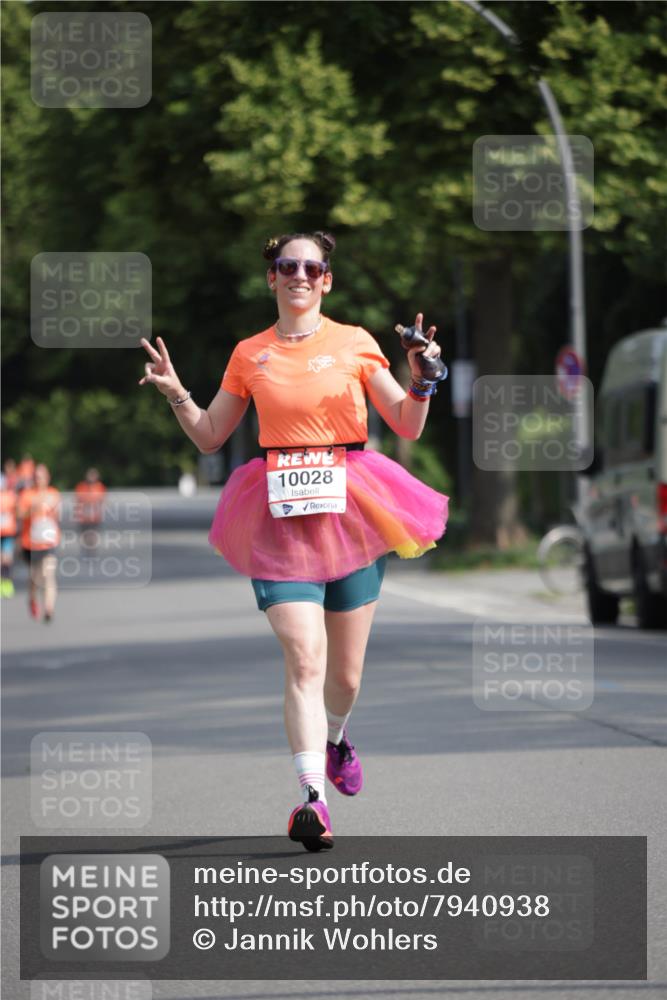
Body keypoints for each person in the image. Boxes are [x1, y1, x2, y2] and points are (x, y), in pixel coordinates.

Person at [139, 231, 448, 851]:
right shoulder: (249, 353)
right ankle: (313, 799)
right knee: (305, 656)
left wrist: (423, 377)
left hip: (352, 509)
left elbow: (408, 426)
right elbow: (210, 437)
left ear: (325, 280)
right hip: (280, 515)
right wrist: (178, 392)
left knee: (347, 676)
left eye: (312, 267)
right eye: (288, 266)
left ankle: (337, 737)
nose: (300, 275)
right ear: (273, 278)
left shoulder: (356, 343)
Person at [17, 463, 61, 622]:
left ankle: (49, 609)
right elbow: (19, 514)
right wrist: (32, 508)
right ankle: (32, 598)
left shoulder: (53, 493)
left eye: (41, 476)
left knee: (48, 575)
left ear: (48, 478)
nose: (39, 479)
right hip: (30, 543)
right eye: (36, 477)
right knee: (35, 578)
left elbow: (57, 514)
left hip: (49, 542)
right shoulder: (27, 495)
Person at [74, 467, 107, 549]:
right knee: (84, 537)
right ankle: (85, 552)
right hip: (84, 518)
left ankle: (93, 552)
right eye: (90, 475)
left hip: (95, 518)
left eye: (93, 475)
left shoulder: (100, 487)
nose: (91, 477)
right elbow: (77, 501)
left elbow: (103, 501)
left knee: (93, 536)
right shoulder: (81, 487)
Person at [0, 473, 17, 598]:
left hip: (8, 533)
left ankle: (7, 583)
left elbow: (17, 512)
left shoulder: (11, 496)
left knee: (6, 559)